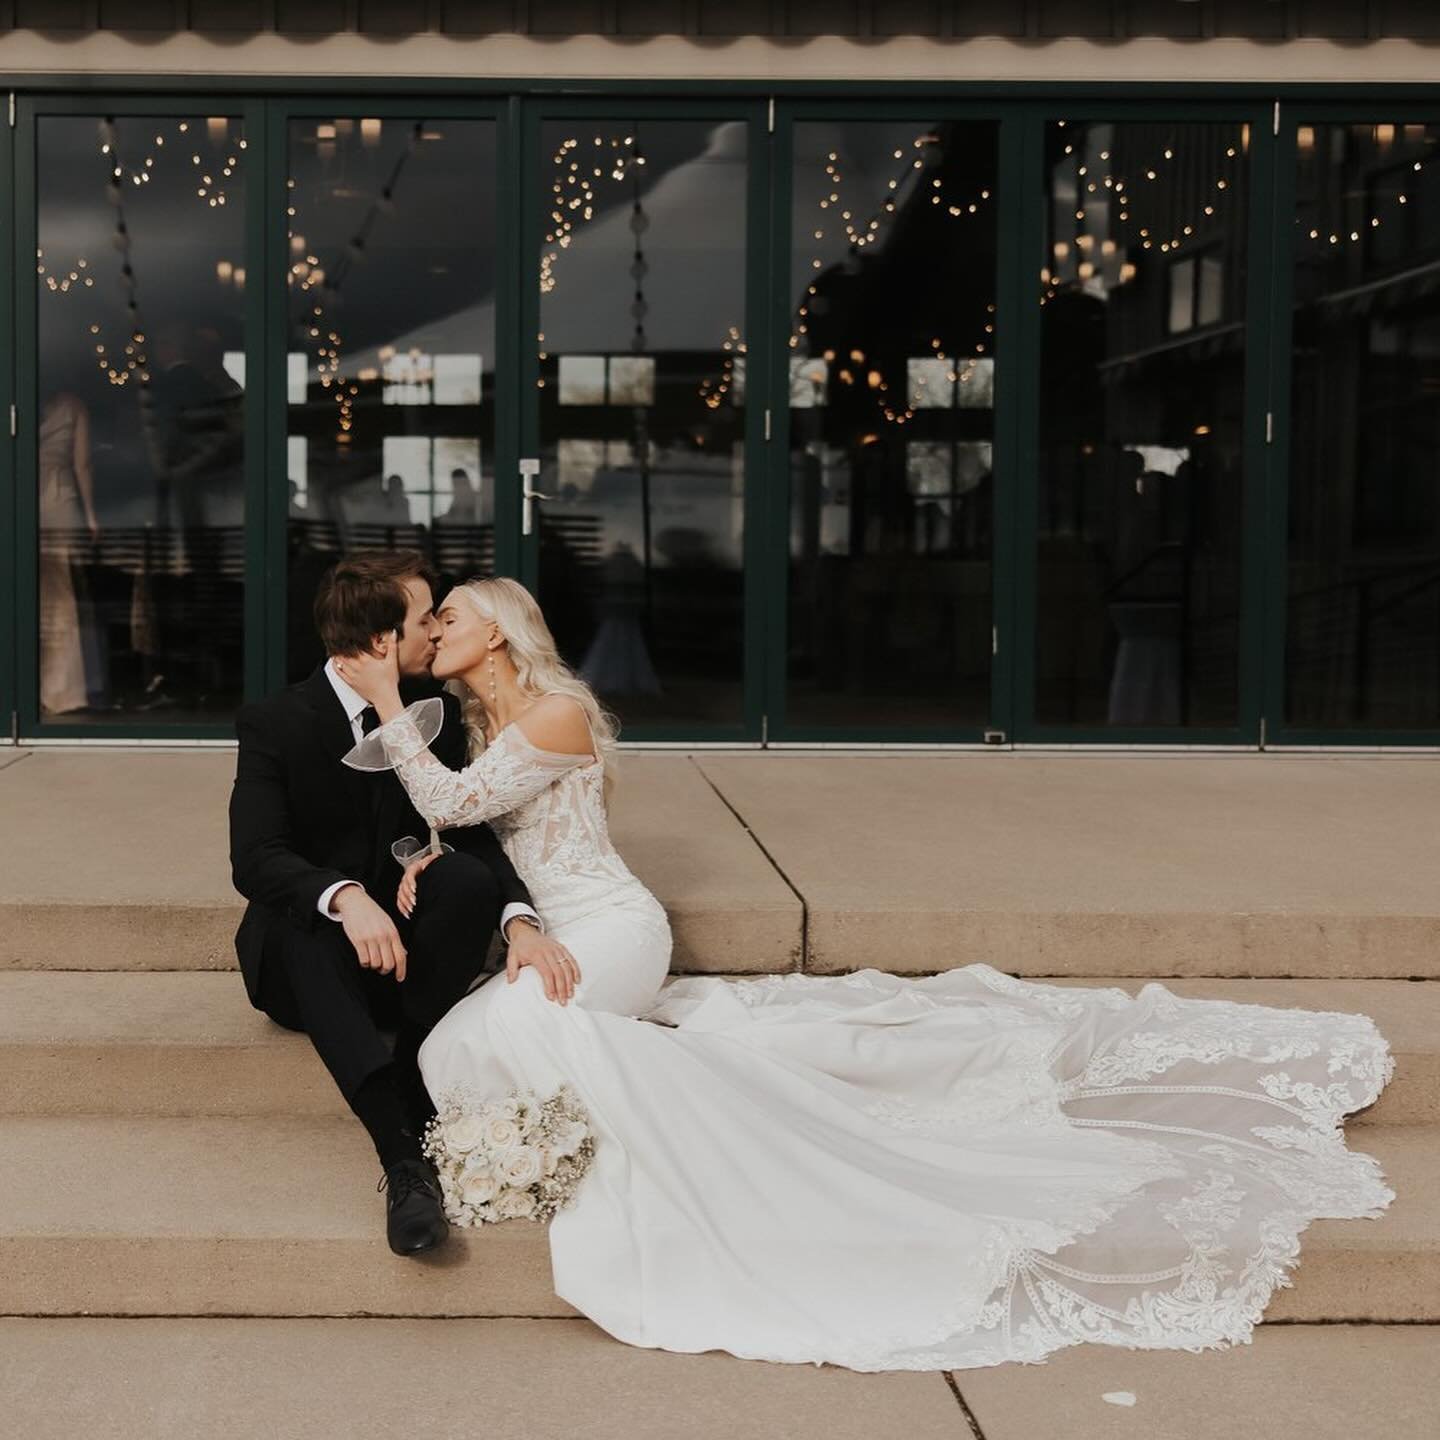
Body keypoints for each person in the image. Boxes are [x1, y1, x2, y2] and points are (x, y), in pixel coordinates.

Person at [333, 575, 1397, 1373]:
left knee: (488, 1039)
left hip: (612, 928)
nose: (434, 634)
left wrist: (385, 702)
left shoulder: (554, 712)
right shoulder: (484, 722)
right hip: (557, 926)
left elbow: (460, 807)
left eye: (452, 617)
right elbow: (474, 833)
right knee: (461, 1043)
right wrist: (458, 883)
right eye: (432, 624)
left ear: (502, 633)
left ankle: (687, 1143)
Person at [228, 550, 578, 1258]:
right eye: (426, 620)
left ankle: (416, 1060)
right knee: (306, 927)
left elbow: (472, 838)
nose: (436, 634)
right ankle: (403, 1160)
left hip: (401, 964)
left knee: (469, 882)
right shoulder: (276, 721)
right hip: (306, 967)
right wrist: (345, 895)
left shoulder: (436, 716)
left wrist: (519, 921)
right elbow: (256, 856)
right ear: (385, 640)